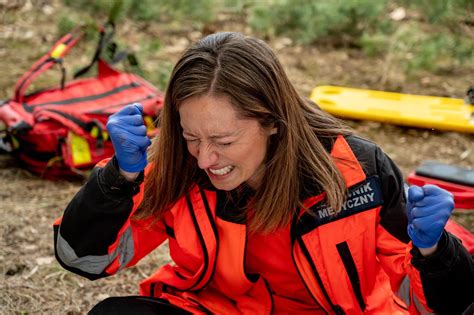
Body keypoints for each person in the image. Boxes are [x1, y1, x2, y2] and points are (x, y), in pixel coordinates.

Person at [53, 32, 473, 314]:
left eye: (224, 140)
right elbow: (84, 260)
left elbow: (441, 305)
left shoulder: (358, 171)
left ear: (274, 121)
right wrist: (117, 181)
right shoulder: (175, 162)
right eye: (190, 136)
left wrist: (437, 254)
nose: (204, 159)